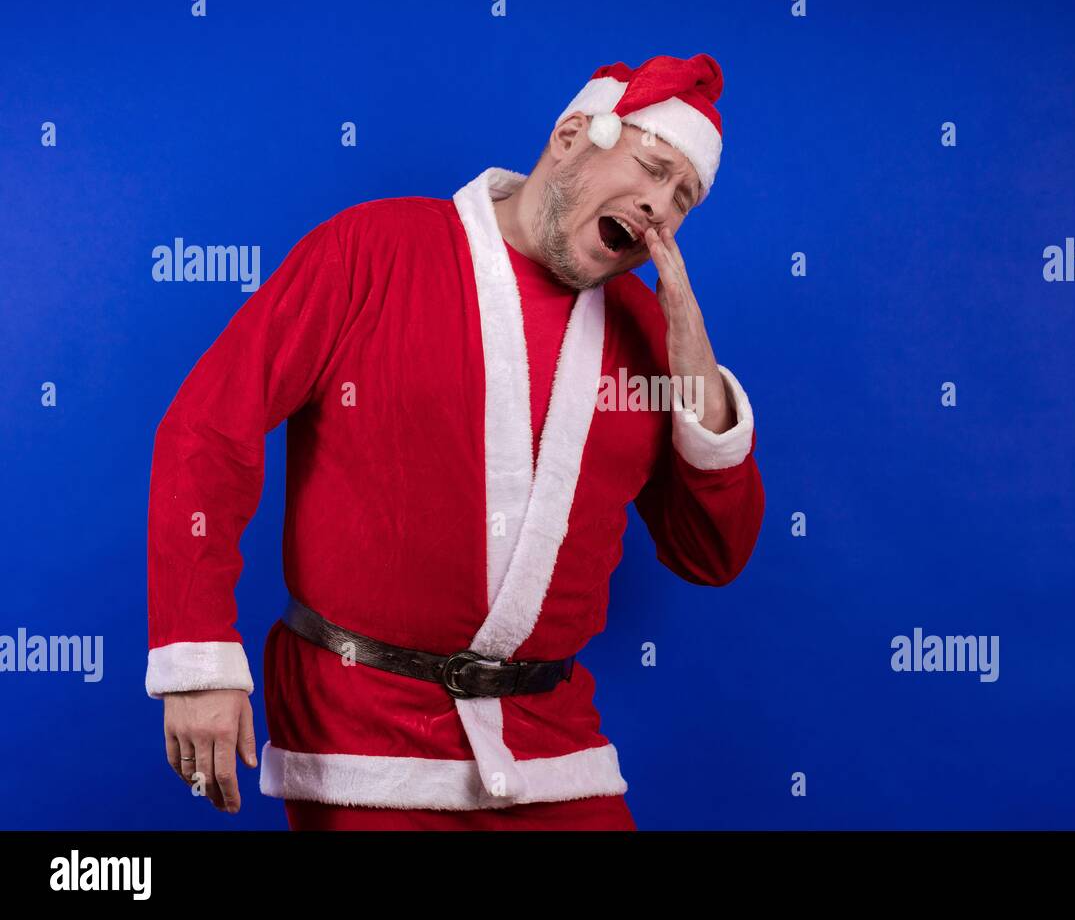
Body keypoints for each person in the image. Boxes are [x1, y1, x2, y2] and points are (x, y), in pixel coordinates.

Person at [145, 53, 764, 830]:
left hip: (554, 748)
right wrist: (197, 657)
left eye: (684, 197)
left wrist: (696, 374)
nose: (660, 207)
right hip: (363, 744)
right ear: (573, 134)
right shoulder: (371, 249)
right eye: (650, 167)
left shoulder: (650, 336)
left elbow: (712, 555)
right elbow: (208, 428)